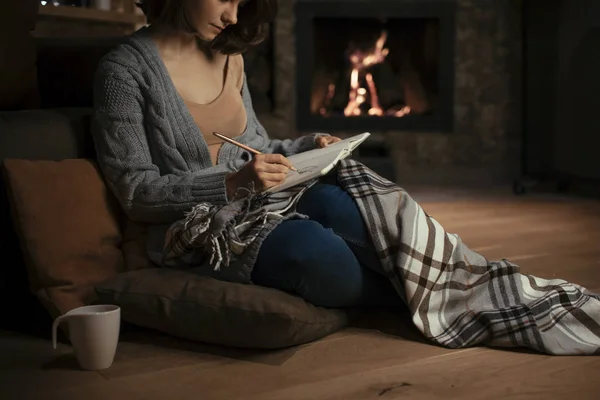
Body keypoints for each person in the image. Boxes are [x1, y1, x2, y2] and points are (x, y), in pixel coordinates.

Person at [93, 0, 600, 355]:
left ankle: (484, 285)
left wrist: (306, 147)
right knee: (322, 258)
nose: (233, 13)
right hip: (204, 227)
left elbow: (260, 149)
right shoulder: (124, 71)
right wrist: (230, 186)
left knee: (356, 209)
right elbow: (136, 191)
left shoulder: (228, 53)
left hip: (264, 196)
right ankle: (449, 298)